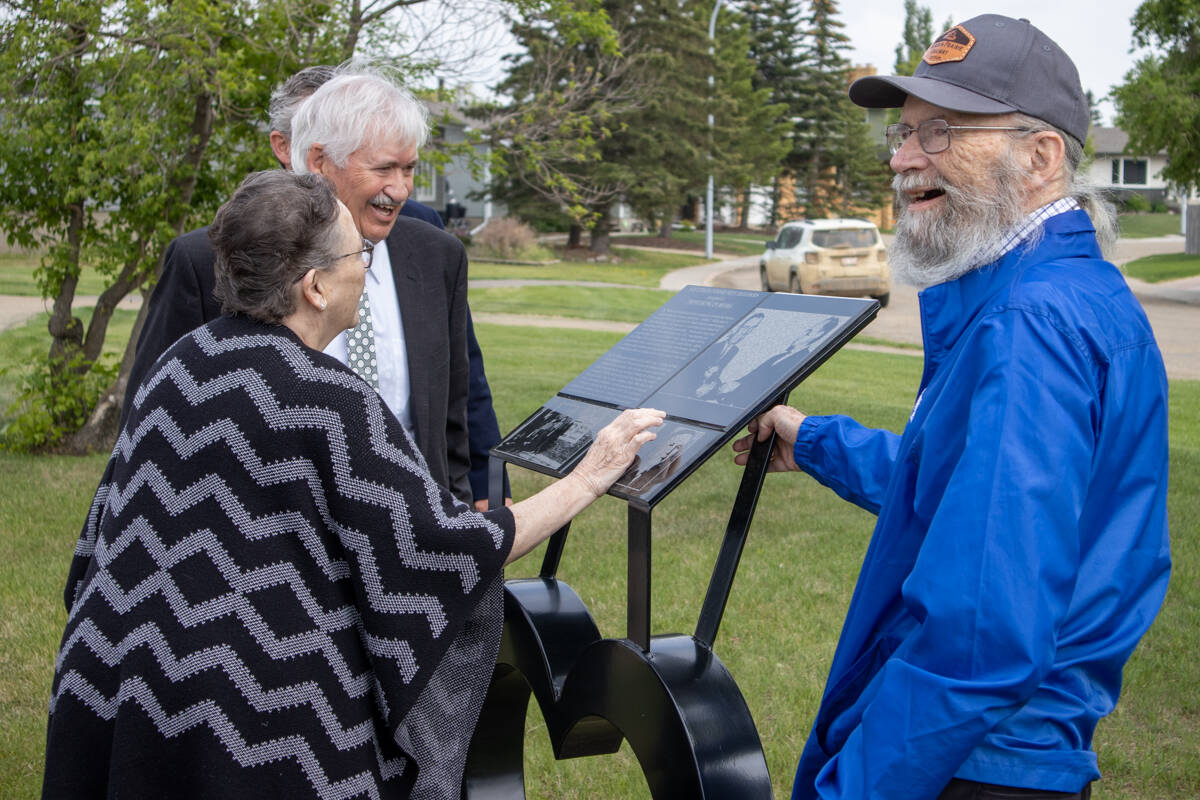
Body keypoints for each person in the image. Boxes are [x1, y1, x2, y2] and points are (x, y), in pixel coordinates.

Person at [43, 170, 664, 799]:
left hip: (118, 686)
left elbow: (101, 538)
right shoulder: (327, 399)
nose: (368, 266)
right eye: (358, 253)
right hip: (262, 722)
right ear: (314, 285)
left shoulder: (180, 363)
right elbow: (446, 551)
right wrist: (590, 475)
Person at [733, 14, 1170, 800]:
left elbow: (980, 636)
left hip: (969, 760)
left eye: (938, 133)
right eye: (902, 133)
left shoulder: (1029, 322)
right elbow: (969, 491)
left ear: (1039, 157)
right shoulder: (1067, 294)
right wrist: (817, 440)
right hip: (1010, 750)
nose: (902, 159)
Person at [127, 65, 507, 510]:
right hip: (273, 542)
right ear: (319, 162)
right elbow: (151, 420)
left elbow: (453, 413)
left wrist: (466, 512)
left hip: (411, 542)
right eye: (384, 168)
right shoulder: (208, 259)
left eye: (409, 169)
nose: (400, 189)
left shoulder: (436, 254)